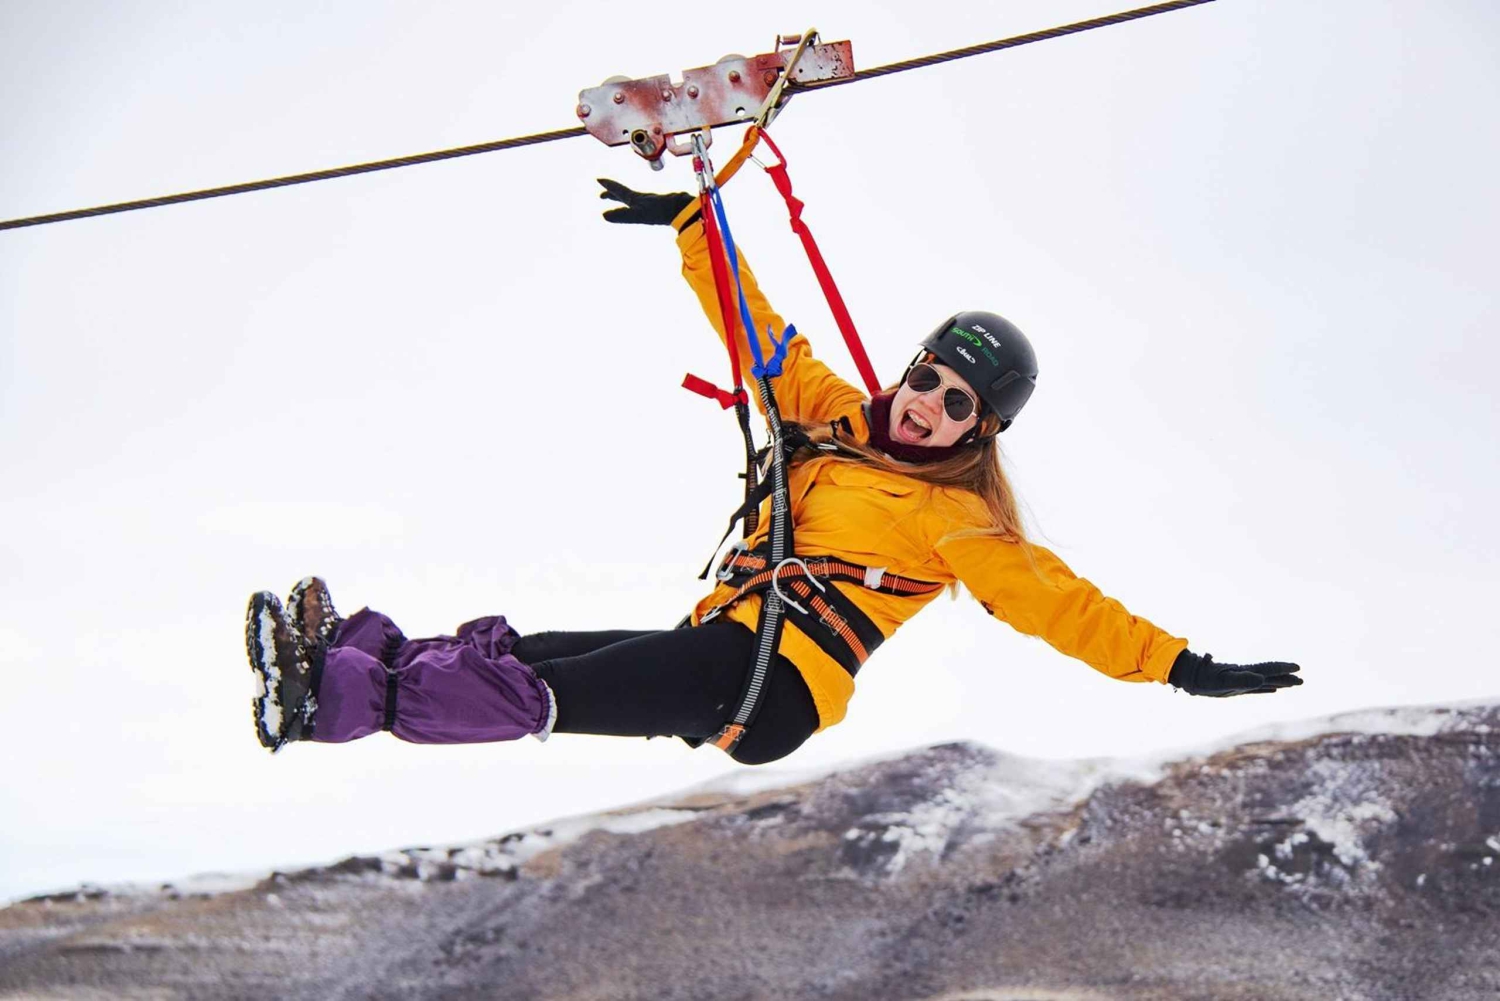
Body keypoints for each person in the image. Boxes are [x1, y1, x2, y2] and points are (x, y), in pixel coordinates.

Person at [242, 179, 1302, 766]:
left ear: (981, 433)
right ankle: (351, 651)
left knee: (549, 693)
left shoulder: (960, 522)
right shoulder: (838, 416)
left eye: (956, 407)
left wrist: (1180, 665)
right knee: (535, 646)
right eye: (928, 378)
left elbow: (1063, 607)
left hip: (775, 679)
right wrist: (698, 226)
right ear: (913, 364)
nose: (925, 407)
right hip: (727, 637)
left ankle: (335, 705)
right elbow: (763, 337)